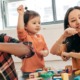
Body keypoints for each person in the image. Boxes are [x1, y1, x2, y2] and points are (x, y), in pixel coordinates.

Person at [17, 5, 49, 78]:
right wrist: (21, 15)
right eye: (34, 23)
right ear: (25, 26)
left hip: (41, 69)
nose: (37, 25)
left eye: (39, 23)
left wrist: (45, 52)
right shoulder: (25, 37)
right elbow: (20, 29)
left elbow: (46, 50)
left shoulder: (41, 37)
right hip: (28, 71)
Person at [50, 6, 80, 70]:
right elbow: (53, 51)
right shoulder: (72, 40)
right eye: (73, 20)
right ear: (69, 25)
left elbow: (69, 54)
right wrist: (63, 36)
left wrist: (70, 54)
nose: (78, 22)